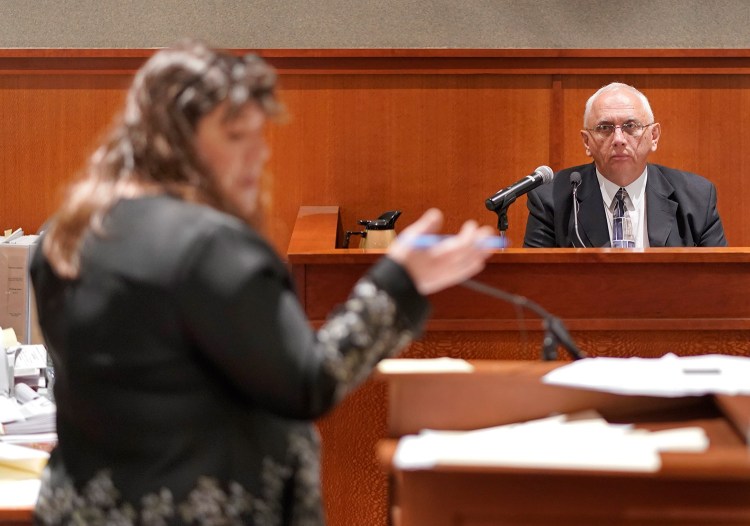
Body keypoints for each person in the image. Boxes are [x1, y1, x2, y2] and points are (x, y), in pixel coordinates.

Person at [30, 39, 496, 525]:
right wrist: (398, 282)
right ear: (170, 137)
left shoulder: (64, 236)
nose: (258, 153)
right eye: (235, 136)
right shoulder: (211, 245)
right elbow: (306, 384)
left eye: (259, 134)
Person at [523, 82, 727, 248]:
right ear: (587, 142)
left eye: (631, 126)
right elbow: (537, 283)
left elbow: (717, 285)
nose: (619, 139)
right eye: (604, 128)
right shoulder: (550, 199)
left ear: (653, 136)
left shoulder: (697, 197)